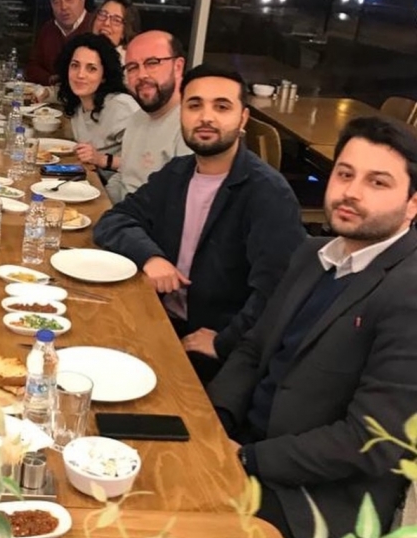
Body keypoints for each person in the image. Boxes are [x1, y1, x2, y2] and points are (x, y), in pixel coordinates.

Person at [208, 115, 417, 538]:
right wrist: (213, 423)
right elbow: (253, 349)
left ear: (412, 204)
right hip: (245, 447)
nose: (352, 192)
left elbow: (368, 441)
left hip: (316, 501)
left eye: (378, 182)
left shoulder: (407, 290)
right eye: (345, 174)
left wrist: (245, 457)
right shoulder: (313, 253)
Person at [94, 64, 305, 382]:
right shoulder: (178, 173)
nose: (206, 117)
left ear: (243, 118)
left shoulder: (267, 194)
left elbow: (279, 292)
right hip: (158, 317)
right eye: (194, 105)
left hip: (215, 350)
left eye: (222, 107)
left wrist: (225, 342)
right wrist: (151, 257)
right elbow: (114, 220)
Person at [106, 30, 192, 204]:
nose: (141, 75)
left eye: (152, 63)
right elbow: (123, 178)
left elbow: (178, 208)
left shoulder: (190, 128)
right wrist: (100, 206)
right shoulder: (137, 118)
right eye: (132, 67)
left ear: (178, 67)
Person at [55, 32, 139, 180]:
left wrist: (101, 159)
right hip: (92, 181)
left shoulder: (121, 107)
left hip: (122, 189)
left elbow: (146, 163)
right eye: (75, 66)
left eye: (91, 68)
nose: (80, 75)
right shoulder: (77, 105)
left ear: (104, 76)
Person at [26, 0, 94, 86]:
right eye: (56, 2)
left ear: (82, 0)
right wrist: (50, 79)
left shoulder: (95, 27)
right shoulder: (48, 28)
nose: (63, 7)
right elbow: (32, 67)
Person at [91, 0, 141, 66]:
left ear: (125, 32)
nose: (106, 23)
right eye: (103, 14)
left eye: (116, 20)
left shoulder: (128, 65)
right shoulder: (79, 52)